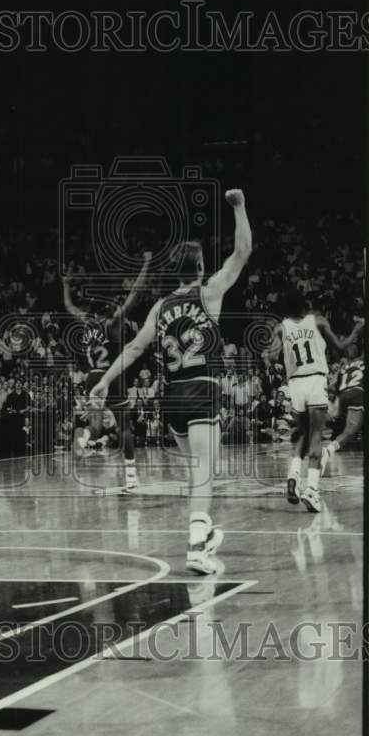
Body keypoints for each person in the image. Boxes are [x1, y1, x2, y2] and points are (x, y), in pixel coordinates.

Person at [91, 189, 253, 574]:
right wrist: (240, 207)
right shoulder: (209, 292)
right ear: (199, 269)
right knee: (204, 473)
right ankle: (197, 547)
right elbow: (243, 250)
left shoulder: (160, 307)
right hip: (201, 387)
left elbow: (132, 350)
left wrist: (104, 382)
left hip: (172, 396)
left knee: (197, 470)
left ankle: (206, 531)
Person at [265, 291, 363, 512]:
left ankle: (292, 476)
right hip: (315, 379)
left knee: (303, 434)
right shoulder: (317, 321)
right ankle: (311, 490)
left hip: (295, 384)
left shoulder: (281, 327)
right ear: (304, 307)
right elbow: (341, 346)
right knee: (317, 436)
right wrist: (357, 330)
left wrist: (273, 356)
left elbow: (270, 356)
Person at [63, 251, 151, 493]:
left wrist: (66, 284)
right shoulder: (113, 323)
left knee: (96, 425)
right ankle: (131, 478)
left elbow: (69, 305)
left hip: (92, 375)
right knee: (124, 427)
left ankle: (82, 439)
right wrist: (146, 264)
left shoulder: (85, 322)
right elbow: (135, 294)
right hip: (111, 374)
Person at [321, 338, 366, 474]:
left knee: (344, 427)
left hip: (344, 396)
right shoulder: (364, 361)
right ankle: (328, 449)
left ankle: (327, 421)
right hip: (357, 393)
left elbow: (332, 386)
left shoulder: (344, 367)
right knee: (350, 431)